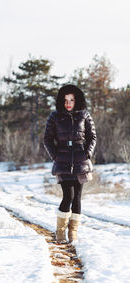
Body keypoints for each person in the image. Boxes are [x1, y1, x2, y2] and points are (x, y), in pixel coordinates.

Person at [44, 84, 97, 243]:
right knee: (69, 196)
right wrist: (55, 156)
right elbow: (47, 139)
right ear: (62, 101)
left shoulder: (84, 115)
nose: (68, 103)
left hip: (81, 161)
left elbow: (92, 136)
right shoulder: (54, 116)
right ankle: (60, 232)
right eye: (66, 100)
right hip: (62, 161)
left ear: (77, 100)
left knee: (78, 197)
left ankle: (73, 232)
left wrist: (87, 153)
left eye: (71, 100)